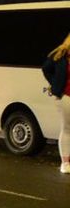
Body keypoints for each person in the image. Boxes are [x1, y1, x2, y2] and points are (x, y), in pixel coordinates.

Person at [41, 33, 70, 174]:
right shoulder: (61, 55)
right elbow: (46, 68)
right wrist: (55, 85)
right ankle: (65, 163)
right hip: (66, 97)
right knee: (67, 129)